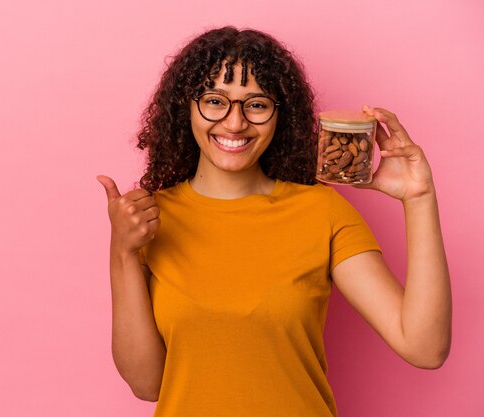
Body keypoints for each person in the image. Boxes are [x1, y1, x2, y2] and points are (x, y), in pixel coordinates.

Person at [97, 26, 452, 417]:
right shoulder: (149, 220)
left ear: (281, 113)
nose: (234, 124)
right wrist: (124, 252)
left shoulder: (322, 211)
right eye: (215, 101)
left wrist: (419, 198)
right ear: (187, 105)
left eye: (257, 104)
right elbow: (146, 384)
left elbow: (424, 347)